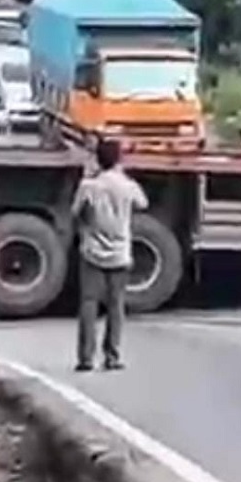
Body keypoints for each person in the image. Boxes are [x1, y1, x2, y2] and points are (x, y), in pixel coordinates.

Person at [71, 138, 148, 372]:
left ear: (97, 159)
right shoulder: (128, 186)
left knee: (88, 304)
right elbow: (142, 204)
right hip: (120, 253)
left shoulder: (89, 186)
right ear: (118, 159)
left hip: (92, 251)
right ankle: (112, 356)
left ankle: (86, 358)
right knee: (116, 306)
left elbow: (75, 213)